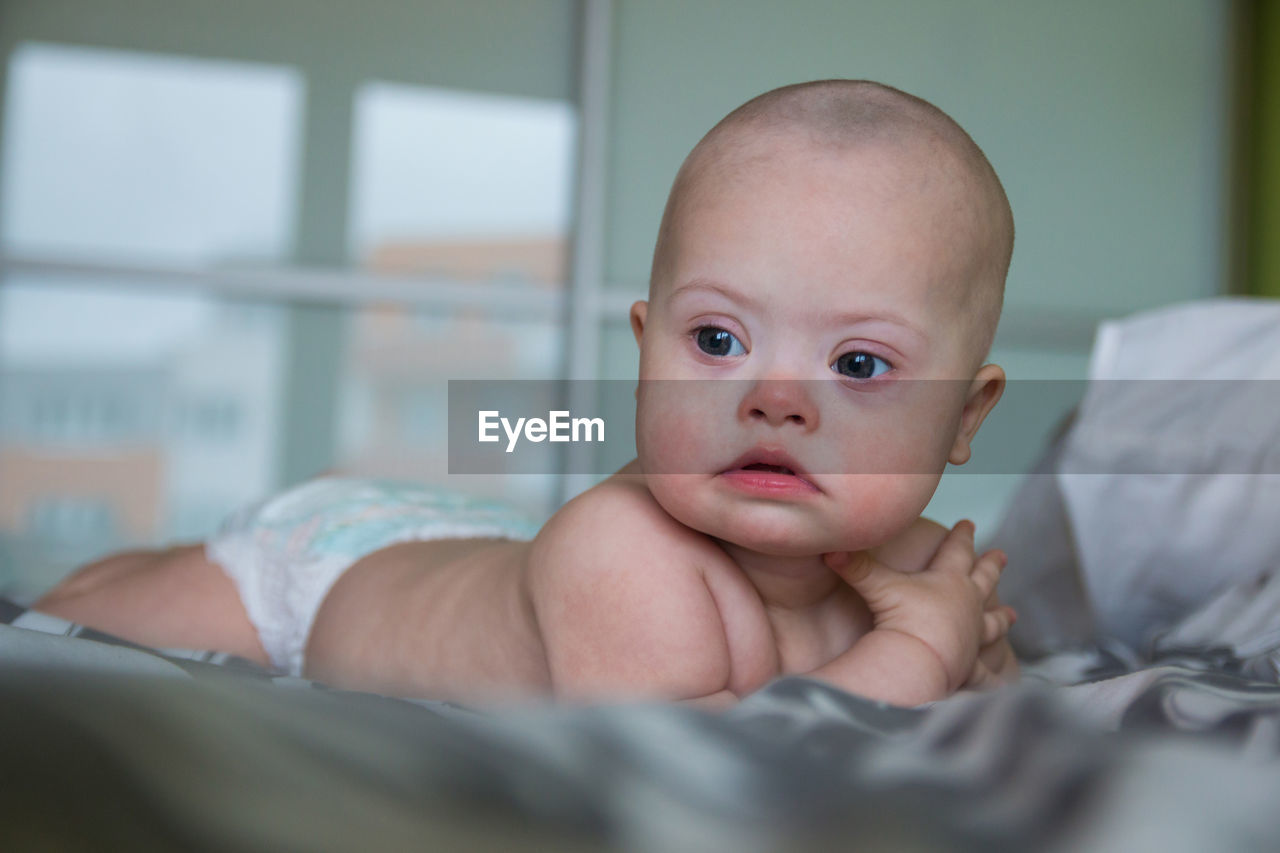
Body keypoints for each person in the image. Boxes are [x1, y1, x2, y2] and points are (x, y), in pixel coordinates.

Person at [35, 79, 1019, 709]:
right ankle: (142, 564)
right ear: (646, 351)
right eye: (717, 340)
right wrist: (921, 650)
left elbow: (993, 701)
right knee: (80, 612)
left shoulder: (924, 561)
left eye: (856, 365)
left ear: (962, 416)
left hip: (467, 536)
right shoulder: (625, 553)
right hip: (323, 578)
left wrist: (976, 659)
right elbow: (720, 769)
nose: (775, 399)